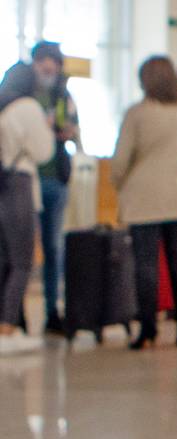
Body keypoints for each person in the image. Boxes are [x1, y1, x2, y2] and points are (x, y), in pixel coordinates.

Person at [111, 56, 177, 349]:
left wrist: (119, 184)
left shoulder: (137, 114)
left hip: (144, 198)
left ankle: (147, 329)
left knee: (145, 264)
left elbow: (120, 161)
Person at [0, 62, 52, 348]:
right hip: (18, 183)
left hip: (1, 184)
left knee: (3, 259)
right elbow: (44, 151)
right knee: (22, 260)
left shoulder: (2, 105)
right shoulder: (27, 108)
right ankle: (7, 326)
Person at [29, 42, 78, 336]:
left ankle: (52, 311)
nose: (49, 67)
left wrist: (67, 130)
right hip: (26, 180)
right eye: (44, 60)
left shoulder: (63, 95)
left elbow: (73, 128)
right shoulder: (21, 95)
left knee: (53, 247)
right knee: (19, 251)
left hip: (56, 179)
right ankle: (15, 316)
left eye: (54, 62)